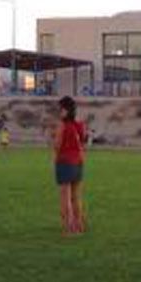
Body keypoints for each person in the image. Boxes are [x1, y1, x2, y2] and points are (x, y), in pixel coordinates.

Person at [52, 96, 88, 235]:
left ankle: (68, 227)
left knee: (65, 197)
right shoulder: (79, 125)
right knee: (76, 196)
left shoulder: (63, 125)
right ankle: (79, 225)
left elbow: (57, 145)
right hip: (78, 162)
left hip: (64, 162)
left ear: (66, 110)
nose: (59, 112)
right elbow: (82, 142)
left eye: (60, 109)